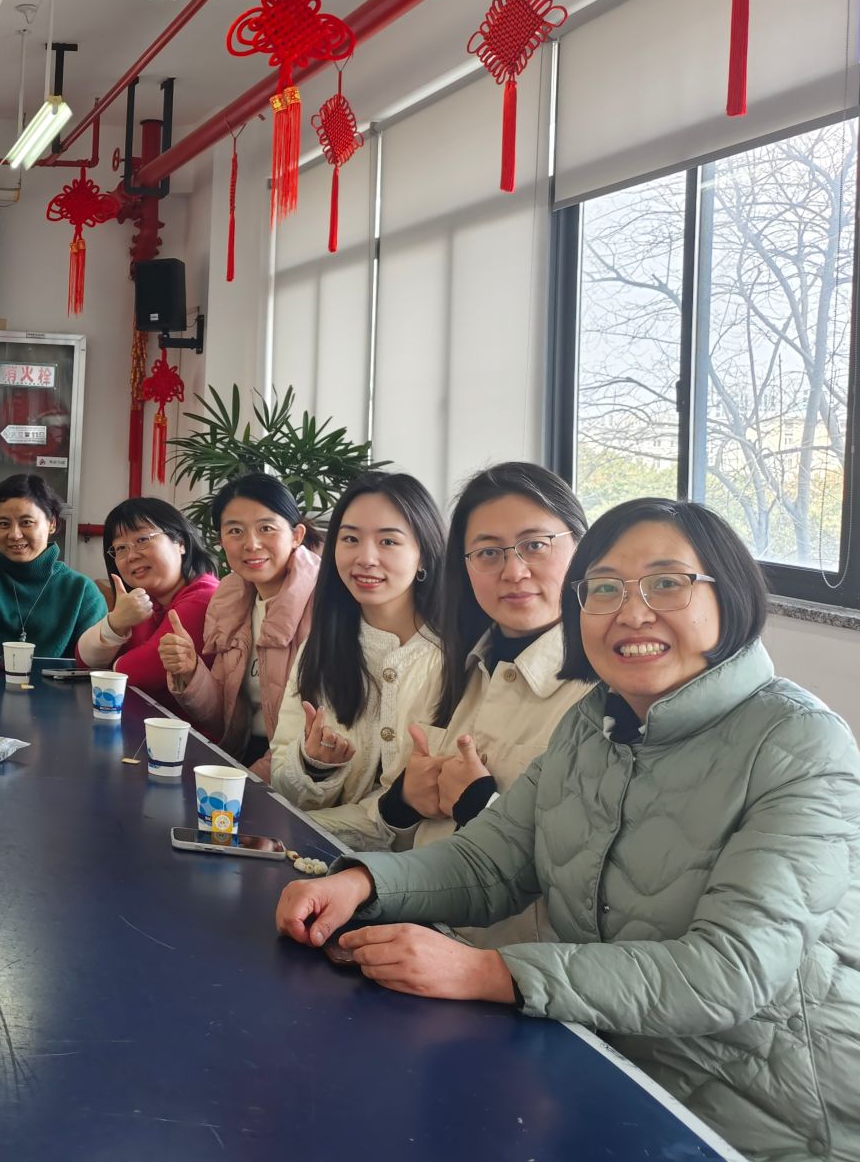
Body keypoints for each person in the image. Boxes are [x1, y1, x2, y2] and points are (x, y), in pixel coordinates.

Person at [277, 499, 860, 1162]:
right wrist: (360, 883)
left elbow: (730, 970)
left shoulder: (800, 744)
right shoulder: (593, 724)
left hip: (770, 1121)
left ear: (729, 596)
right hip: (603, 1071)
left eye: (667, 583)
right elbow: (491, 861)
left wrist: (489, 971)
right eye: (605, 588)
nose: (633, 612)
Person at [374, 462, 591, 943]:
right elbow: (407, 838)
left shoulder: (604, 693)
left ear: (581, 545)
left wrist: (482, 807)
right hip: (417, 936)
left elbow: (599, 880)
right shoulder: (457, 670)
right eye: (488, 552)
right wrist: (403, 803)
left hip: (514, 967)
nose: (514, 571)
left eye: (535, 545)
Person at [265, 472, 446, 848]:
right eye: (350, 539)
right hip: (319, 856)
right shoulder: (321, 646)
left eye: (388, 541)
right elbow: (284, 784)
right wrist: (313, 766)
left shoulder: (454, 656)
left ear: (424, 554)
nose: (365, 558)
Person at [162, 474, 321, 774]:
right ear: (221, 541)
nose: (251, 543)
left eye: (266, 528)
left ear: (296, 535)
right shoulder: (231, 601)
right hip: (243, 754)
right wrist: (191, 671)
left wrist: (244, 781)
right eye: (235, 531)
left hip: (301, 769)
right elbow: (226, 718)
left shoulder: (325, 605)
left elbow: (315, 733)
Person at [0, 474, 105, 661]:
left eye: (26, 522)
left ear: (52, 523)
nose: (15, 535)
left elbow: (92, 661)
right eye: (3, 524)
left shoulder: (82, 592)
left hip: (52, 681)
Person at [77, 499, 219, 701]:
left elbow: (142, 672)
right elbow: (84, 661)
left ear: (180, 543)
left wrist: (108, 665)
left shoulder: (204, 597)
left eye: (143, 539)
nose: (131, 556)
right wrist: (114, 623)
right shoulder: (144, 601)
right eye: (120, 548)